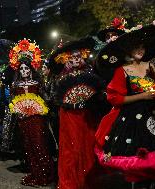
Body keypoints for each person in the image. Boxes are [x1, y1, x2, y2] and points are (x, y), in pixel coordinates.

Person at [95, 40, 155, 188]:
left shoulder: (150, 65)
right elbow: (115, 99)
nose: (140, 50)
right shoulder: (122, 70)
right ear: (128, 50)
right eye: (136, 46)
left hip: (154, 114)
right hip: (132, 118)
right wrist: (141, 96)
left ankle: (154, 182)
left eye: (142, 46)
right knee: (136, 158)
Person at [48, 38, 105, 189]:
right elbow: (56, 97)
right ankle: (73, 180)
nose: (76, 59)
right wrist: (70, 102)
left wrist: (93, 99)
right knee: (73, 147)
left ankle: (90, 177)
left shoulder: (90, 71)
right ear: (66, 59)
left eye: (78, 56)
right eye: (72, 57)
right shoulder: (61, 77)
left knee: (89, 143)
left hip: (87, 114)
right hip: (69, 115)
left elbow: (98, 91)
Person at [9, 39, 54, 186]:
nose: (24, 71)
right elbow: (13, 102)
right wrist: (19, 112)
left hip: (37, 119)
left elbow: (45, 99)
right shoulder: (15, 85)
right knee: (28, 147)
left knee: (41, 145)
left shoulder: (37, 83)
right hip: (23, 120)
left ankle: (46, 174)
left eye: (26, 69)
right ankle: (35, 173)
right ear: (18, 70)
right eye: (21, 69)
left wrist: (41, 108)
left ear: (31, 69)